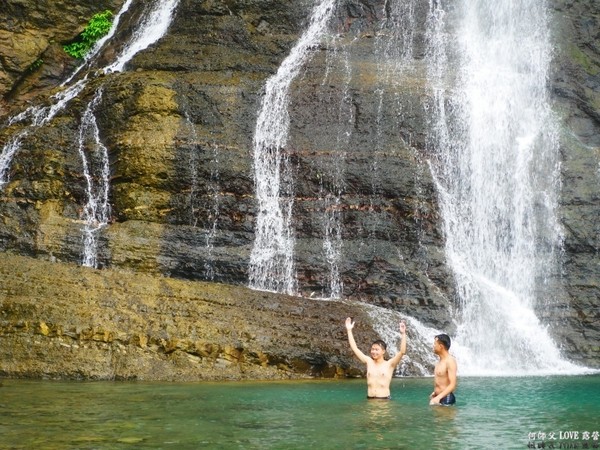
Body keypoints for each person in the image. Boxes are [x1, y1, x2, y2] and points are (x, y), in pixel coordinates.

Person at [345, 317, 406, 399]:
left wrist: (403, 334)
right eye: (372, 349)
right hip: (370, 400)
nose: (374, 352)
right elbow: (355, 348)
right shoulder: (368, 361)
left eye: (377, 350)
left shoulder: (390, 364)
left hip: (384, 401)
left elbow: (402, 352)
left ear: (383, 351)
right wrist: (349, 330)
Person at [429, 333, 457, 406]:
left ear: (441, 346)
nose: (433, 346)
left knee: (444, 417)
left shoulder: (450, 361)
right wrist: (435, 393)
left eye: (435, 344)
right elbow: (441, 381)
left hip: (446, 398)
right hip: (439, 397)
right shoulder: (440, 361)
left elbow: (452, 385)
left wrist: (438, 397)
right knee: (438, 417)